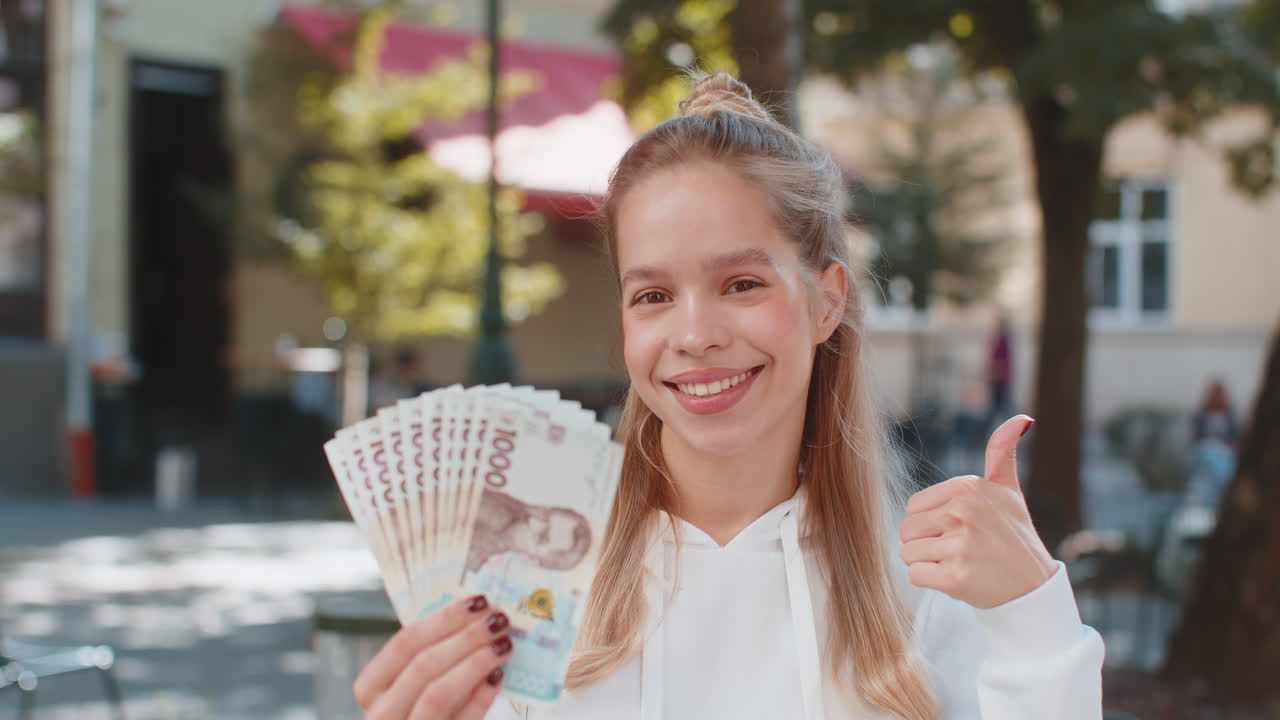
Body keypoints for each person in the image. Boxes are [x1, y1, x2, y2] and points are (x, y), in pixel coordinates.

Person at [351, 74, 1104, 720]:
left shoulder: (933, 597)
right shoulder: (524, 591)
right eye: (652, 294)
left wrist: (1034, 619)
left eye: (740, 283)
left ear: (826, 301)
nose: (695, 333)